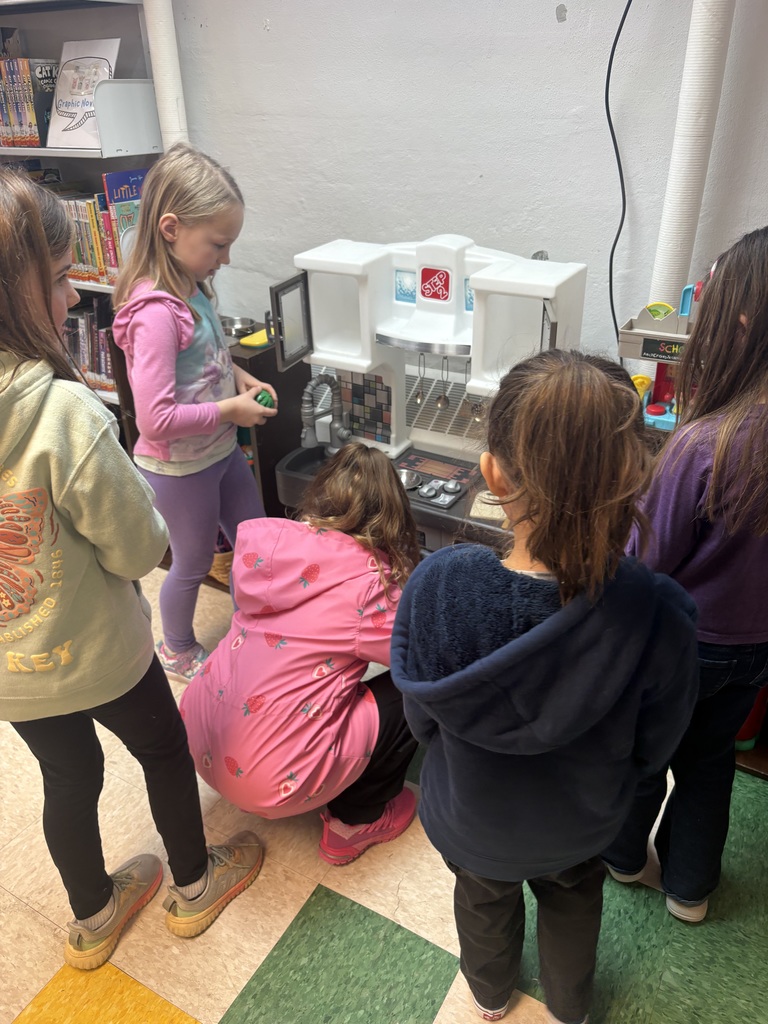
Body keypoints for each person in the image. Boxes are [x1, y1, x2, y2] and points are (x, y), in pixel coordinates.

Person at [0, 169, 263, 971]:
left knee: (68, 777)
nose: (73, 300)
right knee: (163, 749)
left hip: (12, 670)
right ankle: (194, 884)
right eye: (59, 280)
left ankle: (93, 918)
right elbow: (139, 550)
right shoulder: (64, 414)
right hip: (102, 653)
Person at [390, 350, 699, 1024]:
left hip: (472, 817)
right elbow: (656, 746)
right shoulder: (657, 612)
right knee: (573, 905)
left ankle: (489, 994)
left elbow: (423, 722)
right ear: (632, 480)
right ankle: (570, 1007)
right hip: (579, 824)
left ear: (492, 473)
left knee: (481, 902)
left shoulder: (437, 587)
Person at [603, 227, 768, 923]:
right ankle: (690, 888)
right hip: (755, 650)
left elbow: (646, 559)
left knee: (645, 753)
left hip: (684, 644)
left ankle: (622, 857)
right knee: (709, 762)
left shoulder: (703, 444)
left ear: (738, 325)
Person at [180, 443, 421, 865]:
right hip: (271, 780)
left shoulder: (266, 551)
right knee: (415, 687)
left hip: (201, 741)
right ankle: (354, 823)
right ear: (392, 517)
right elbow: (419, 653)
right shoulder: (369, 585)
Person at [112, 143, 278, 681]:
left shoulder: (193, 286)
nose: (225, 258)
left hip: (219, 450)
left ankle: (257, 625)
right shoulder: (155, 315)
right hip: (178, 468)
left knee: (255, 540)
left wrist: (241, 380)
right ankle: (178, 648)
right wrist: (231, 409)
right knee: (193, 563)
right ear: (171, 228)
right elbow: (155, 419)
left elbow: (209, 362)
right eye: (218, 244)